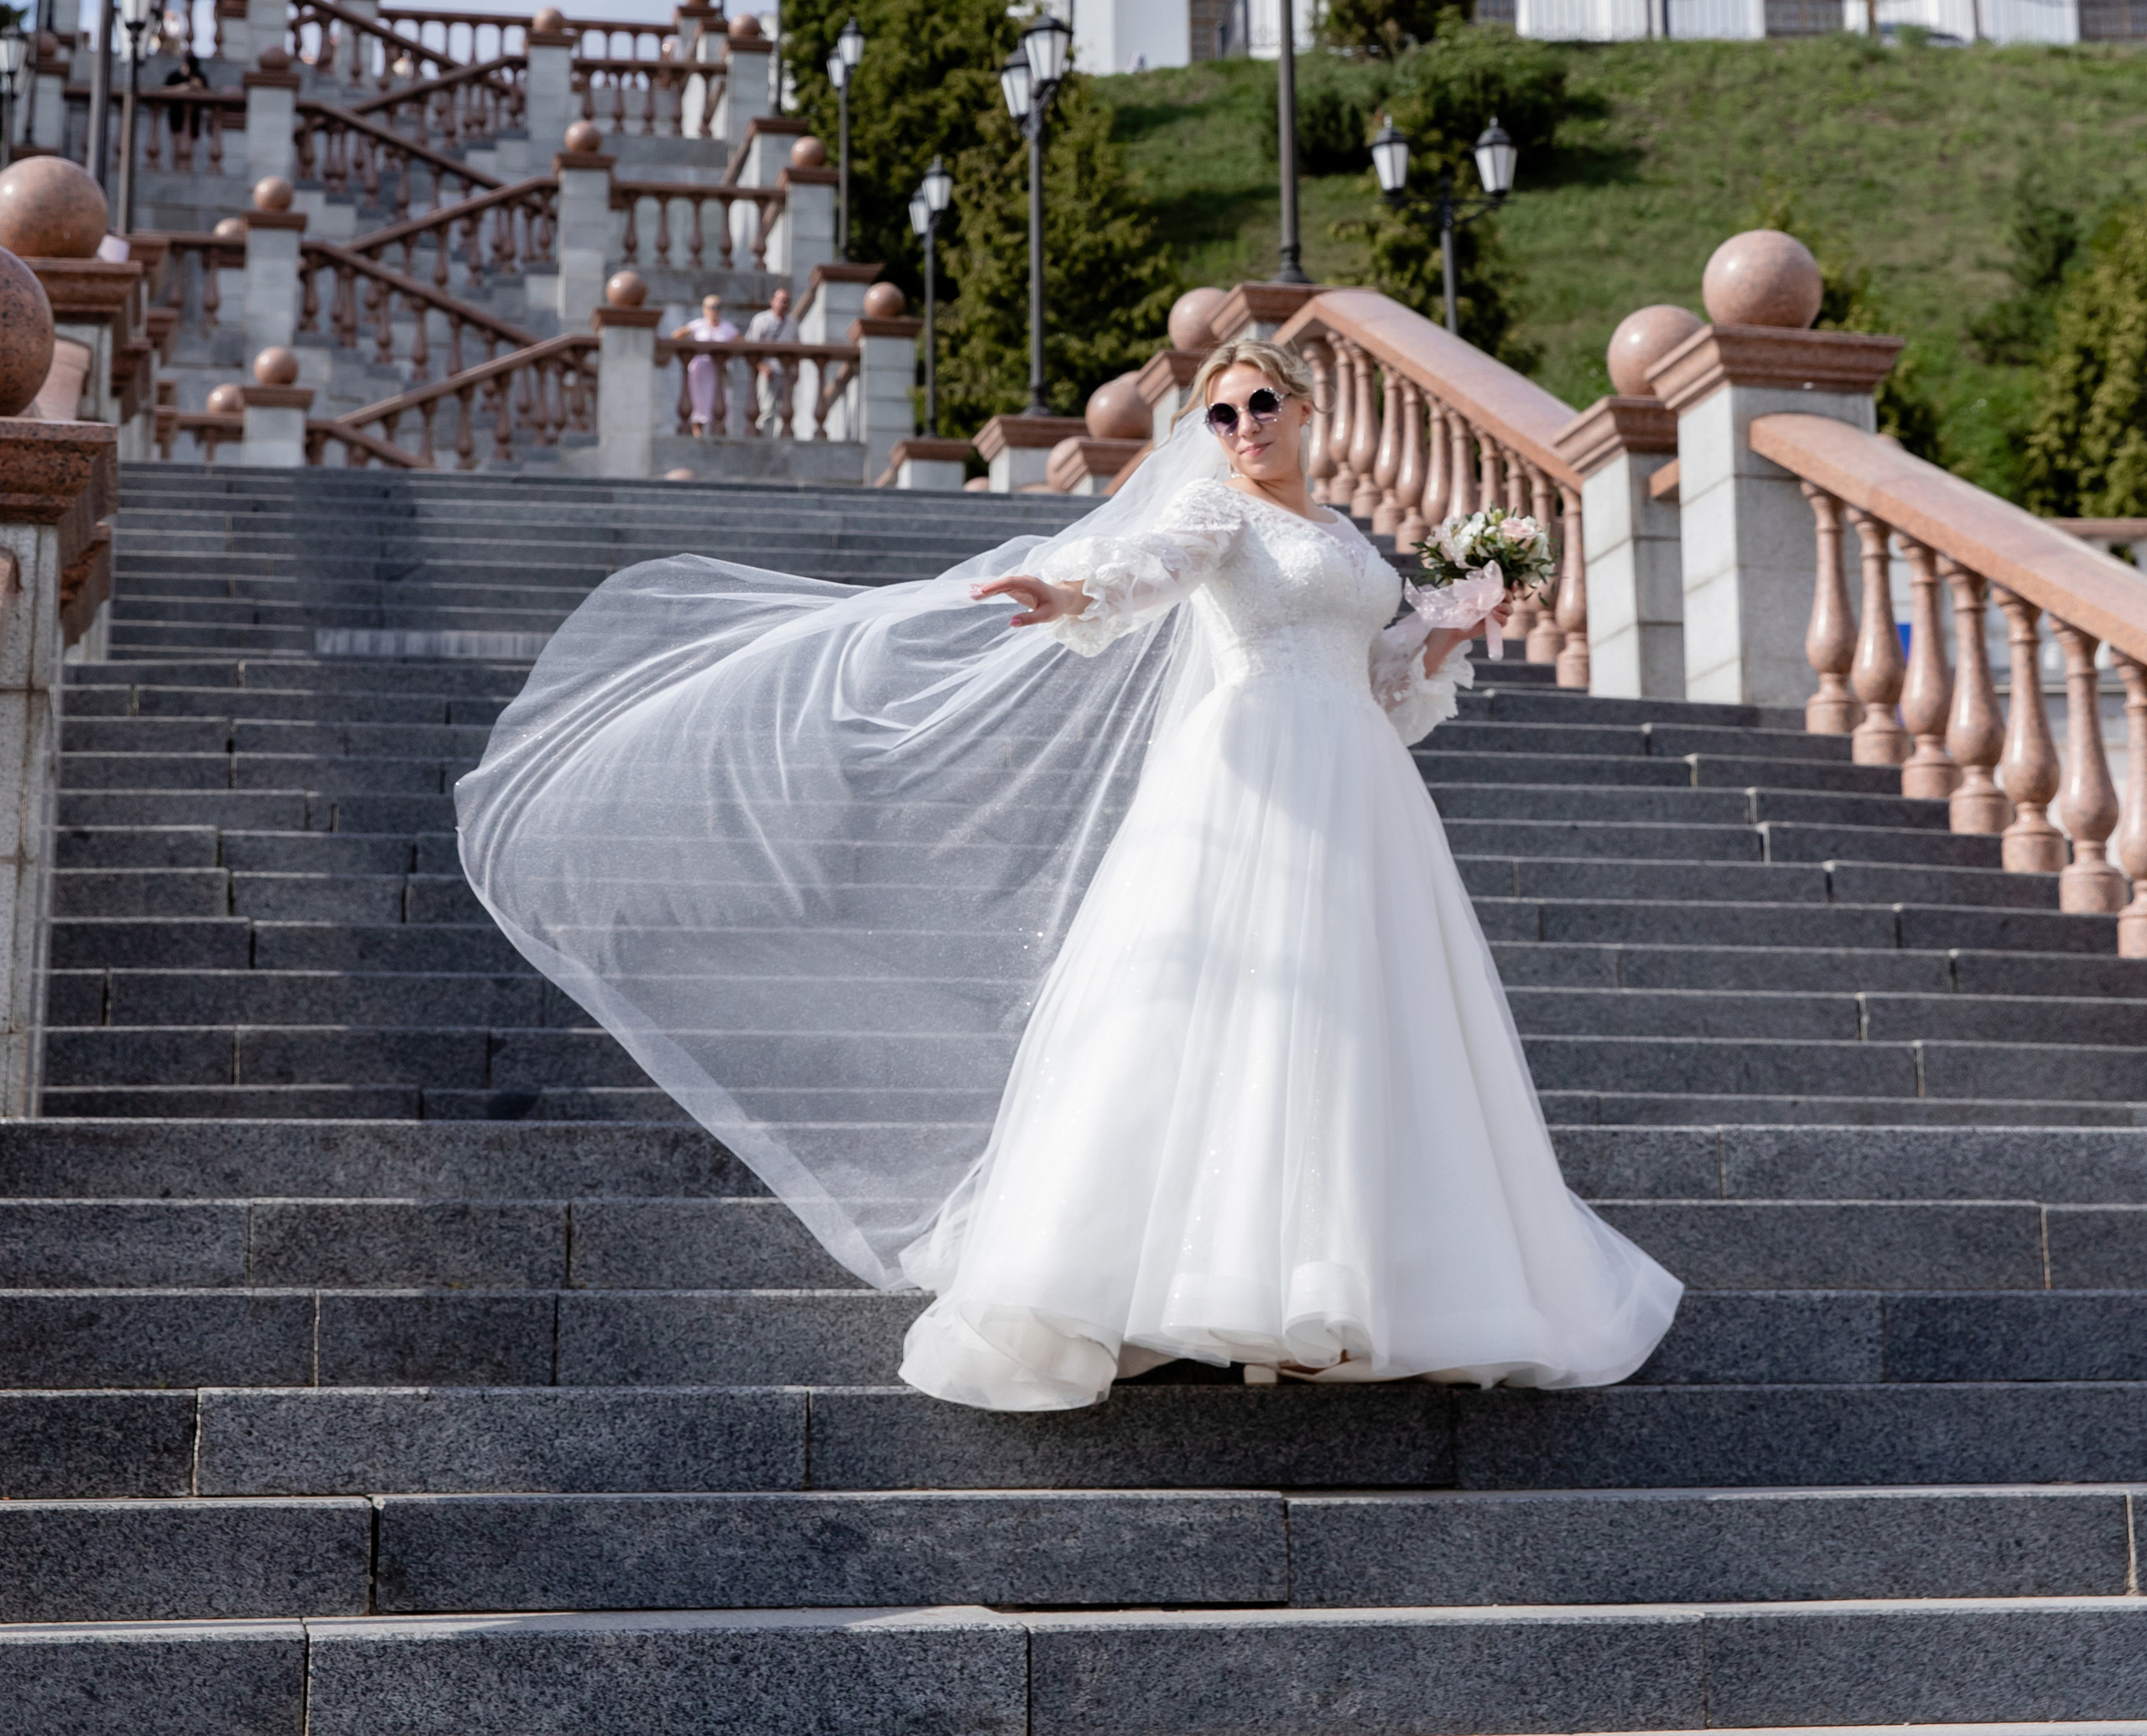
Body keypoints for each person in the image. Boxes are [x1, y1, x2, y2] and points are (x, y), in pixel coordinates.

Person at [457, 331, 1681, 1415]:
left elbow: (1379, 684)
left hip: (1361, 785)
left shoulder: (1347, 539)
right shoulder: (1222, 517)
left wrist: (1450, 628)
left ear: (1310, 415)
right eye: (1222, 415)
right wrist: (1070, 587)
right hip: (1254, 776)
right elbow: (1154, 565)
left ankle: (1362, 1287)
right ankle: (1226, 1286)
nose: (1244, 430)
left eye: (1263, 408)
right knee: (1246, 1010)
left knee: (1365, 1021)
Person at [668, 294, 741, 439]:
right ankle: (697, 434)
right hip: (699, 370)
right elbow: (676, 335)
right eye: (712, 308)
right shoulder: (698, 325)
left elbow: (743, 342)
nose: (715, 311)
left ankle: (718, 433)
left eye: (718, 308)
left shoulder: (727, 327)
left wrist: (729, 353)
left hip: (717, 371)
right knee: (698, 402)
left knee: (719, 400)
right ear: (705, 309)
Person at [742, 284, 799, 434]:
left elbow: (797, 350)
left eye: (786, 301)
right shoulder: (761, 320)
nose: (783, 304)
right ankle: (765, 440)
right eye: (780, 300)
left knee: (786, 410)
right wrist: (762, 367)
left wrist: (796, 370)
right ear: (772, 301)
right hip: (769, 372)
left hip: (786, 373)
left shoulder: (792, 323)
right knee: (767, 410)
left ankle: (783, 441)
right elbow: (751, 348)